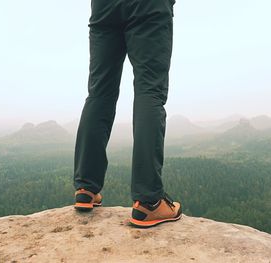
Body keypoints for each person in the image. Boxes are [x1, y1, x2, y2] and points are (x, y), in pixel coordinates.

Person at [73, 0, 182, 227]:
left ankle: (86, 188)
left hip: (104, 7)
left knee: (99, 93)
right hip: (149, 7)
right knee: (150, 91)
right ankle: (149, 201)